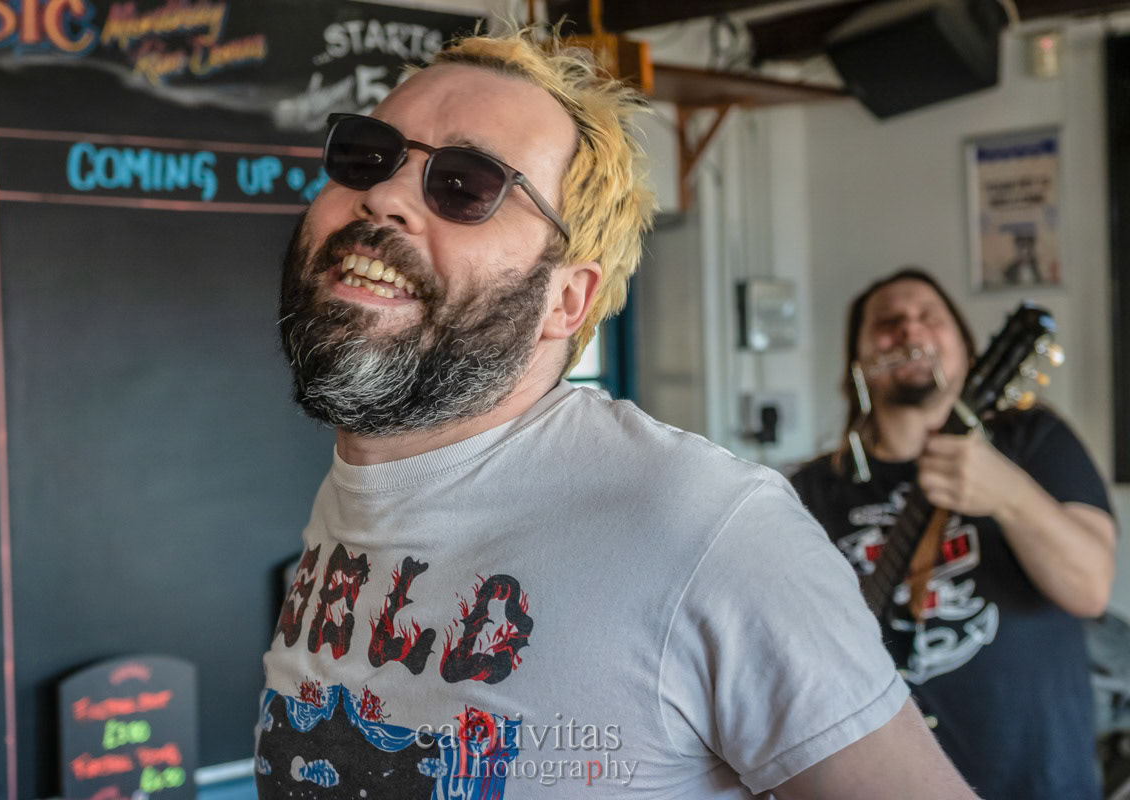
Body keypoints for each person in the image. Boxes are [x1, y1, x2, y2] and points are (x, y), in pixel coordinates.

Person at [256, 31, 976, 799]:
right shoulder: (366, 490)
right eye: (366, 156)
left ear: (567, 300)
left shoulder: (708, 529)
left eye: (465, 185)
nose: (384, 196)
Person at [790, 267, 1117, 800]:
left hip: (1038, 779)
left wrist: (1010, 495)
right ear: (858, 362)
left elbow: (1090, 589)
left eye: (929, 317)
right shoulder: (811, 489)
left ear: (965, 348)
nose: (910, 331)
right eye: (887, 323)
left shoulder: (1033, 439)